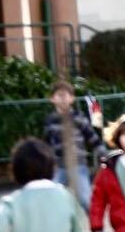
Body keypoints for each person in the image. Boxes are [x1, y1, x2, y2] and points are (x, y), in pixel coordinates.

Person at [44, 80, 105, 209]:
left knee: (85, 200)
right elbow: (47, 142)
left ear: (72, 99)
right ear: (52, 99)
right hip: (60, 166)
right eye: (59, 95)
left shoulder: (78, 117)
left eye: (66, 95)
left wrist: (101, 150)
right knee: (50, 197)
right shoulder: (50, 120)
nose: (63, 98)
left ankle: (97, 227)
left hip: (78, 164)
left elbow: (90, 135)